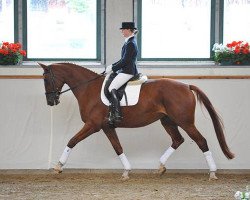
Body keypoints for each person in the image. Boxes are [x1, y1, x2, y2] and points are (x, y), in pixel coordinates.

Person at [105, 22, 139, 125]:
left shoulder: (131, 44)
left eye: (123, 30)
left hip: (127, 72)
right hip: (125, 70)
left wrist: (114, 68)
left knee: (111, 88)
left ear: (129, 30)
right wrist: (112, 66)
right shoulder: (129, 42)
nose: (122, 31)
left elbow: (125, 61)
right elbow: (123, 59)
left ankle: (117, 114)